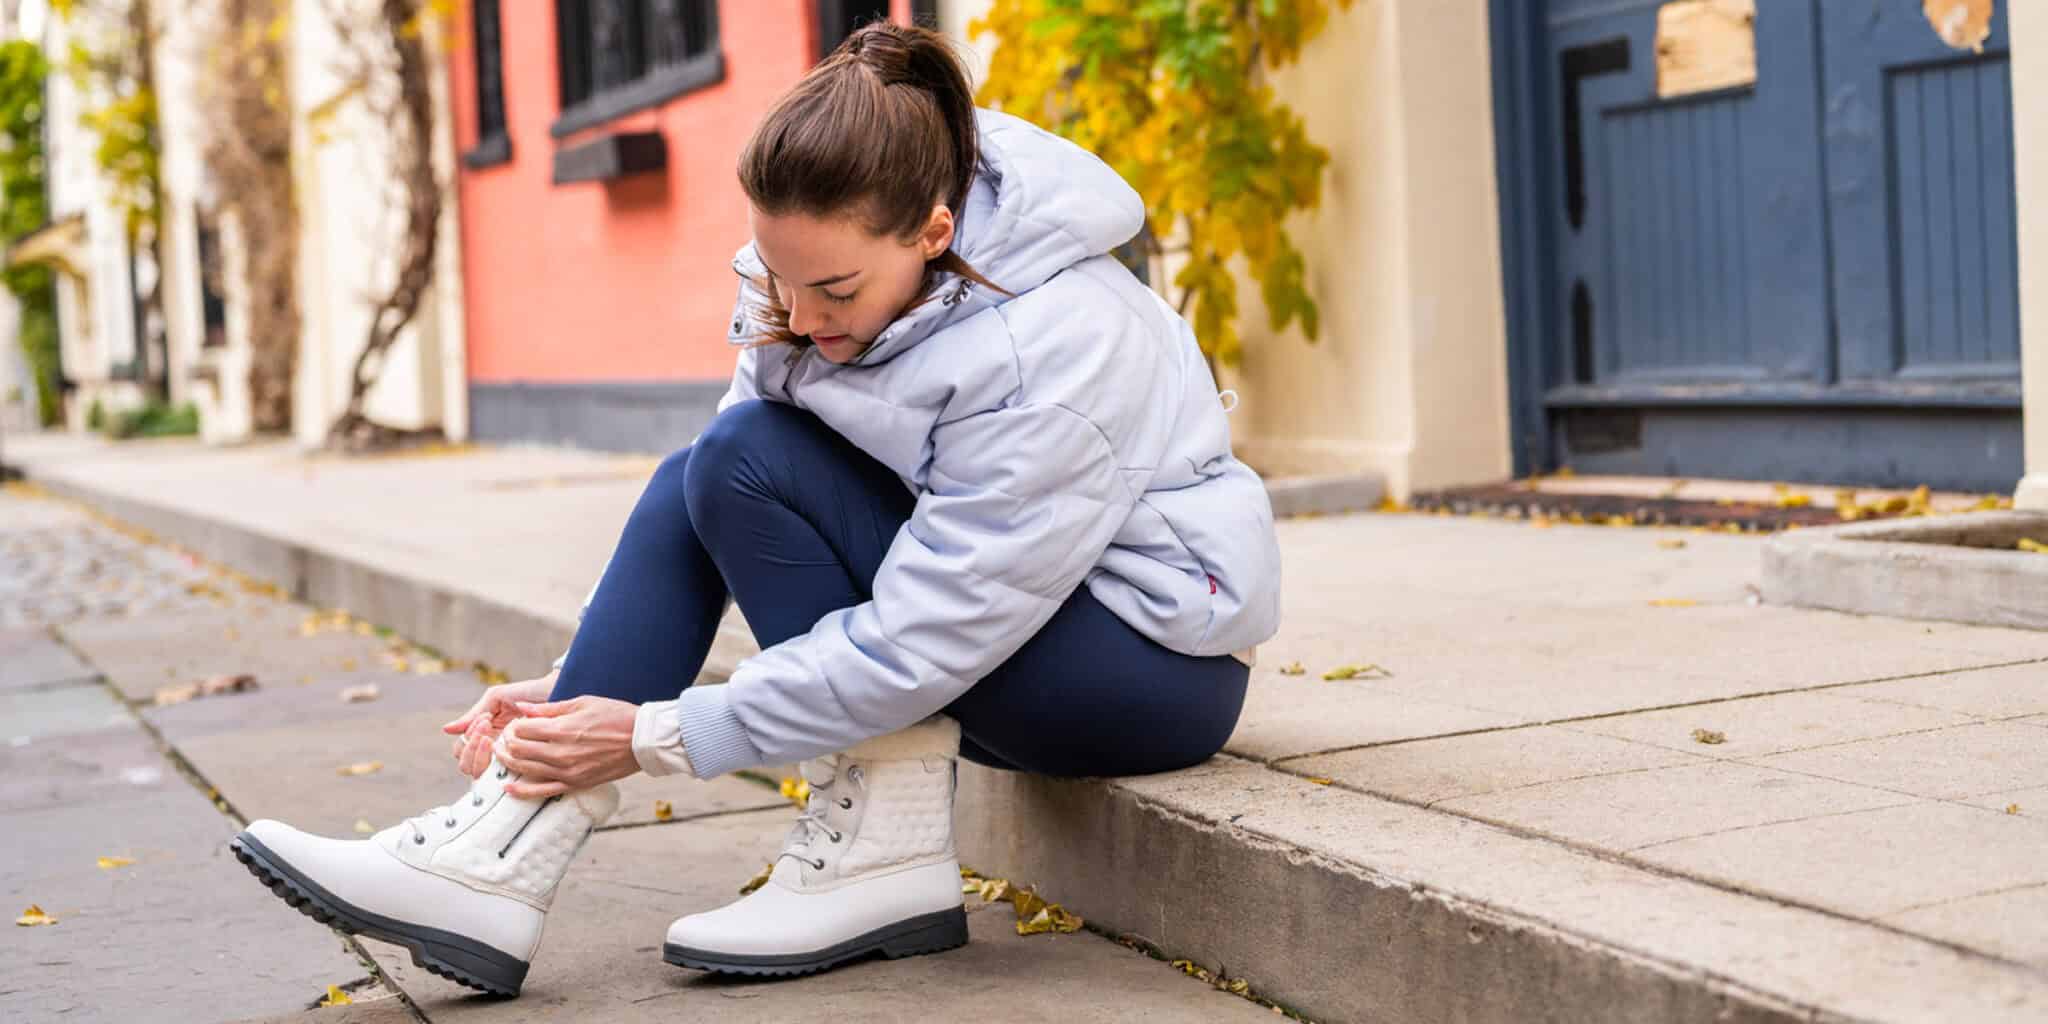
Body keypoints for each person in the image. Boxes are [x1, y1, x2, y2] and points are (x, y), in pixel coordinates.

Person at [228, 21, 1280, 998]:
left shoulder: (1053, 346)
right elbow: (720, 491)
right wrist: (577, 686)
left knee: (741, 460)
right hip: (997, 621)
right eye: (782, 284)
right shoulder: (813, 283)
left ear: (934, 230)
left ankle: (855, 856)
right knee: (720, 458)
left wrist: (653, 731)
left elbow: (931, 635)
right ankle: (505, 846)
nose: (807, 318)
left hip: (1138, 672)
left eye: (835, 290)